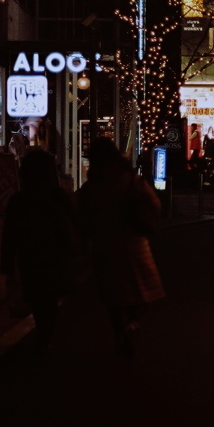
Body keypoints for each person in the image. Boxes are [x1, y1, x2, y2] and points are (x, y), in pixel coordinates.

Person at [76, 137, 164, 358]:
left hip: (104, 245)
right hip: (134, 243)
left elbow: (80, 214)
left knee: (114, 296)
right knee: (143, 292)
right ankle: (133, 324)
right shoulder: (130, 180)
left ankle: (119, 332)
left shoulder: (92, 186)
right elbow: (154, 203)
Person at [0, 149, 78, 349]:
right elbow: (76, 223)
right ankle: (46, 333)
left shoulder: (19, 200)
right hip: (55, 256)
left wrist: (7, 264)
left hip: (30, 256)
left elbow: (10, 234)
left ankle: (43, 334)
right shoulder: (58, 196)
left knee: (36, 296)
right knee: (50, 297)